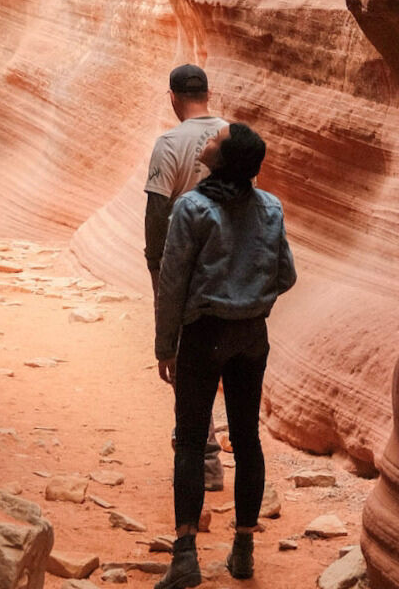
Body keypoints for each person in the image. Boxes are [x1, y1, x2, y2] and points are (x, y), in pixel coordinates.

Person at [152, 123, 296, 588]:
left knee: (191, 441)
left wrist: (165, 344)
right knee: (247, 437)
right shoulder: (270, 208)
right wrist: (253, 297)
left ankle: (186, 555)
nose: (210, 137)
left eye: (217, 137)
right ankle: (244, 551)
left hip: (203, 334)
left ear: (225, 158)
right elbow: (287, 274)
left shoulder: (193, 209)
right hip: (251, 335)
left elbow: (172, 283)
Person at [145, 63, 227, 492]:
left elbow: (158, 211)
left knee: (183, 362)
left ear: (173, 98)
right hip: (229, 266)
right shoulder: (232, 136)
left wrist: (156, 265)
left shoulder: (169, 143)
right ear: (208, 94)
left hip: (185, 266)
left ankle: (206, 460)